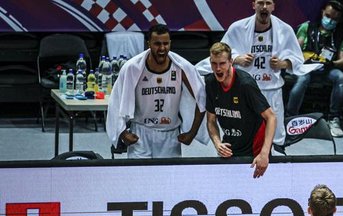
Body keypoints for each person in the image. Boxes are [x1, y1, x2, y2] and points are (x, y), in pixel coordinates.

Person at [206, 0, 313, 153]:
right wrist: (237, 58)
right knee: (245, 135)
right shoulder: (237, 28)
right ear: (253, 5)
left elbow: (298, 60)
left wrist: (283, 64)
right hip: (246, 92)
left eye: (268, 3)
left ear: (273, 6)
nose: (264, 6)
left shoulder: (285, 29)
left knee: (275, 137)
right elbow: (222, 54)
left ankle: (274, 166)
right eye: (260, 3)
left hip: (271, 89)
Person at [107, 24, 206, 158]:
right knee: (139, 177)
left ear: (170, 43)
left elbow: (201, 99)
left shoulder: (182, 67)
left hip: (170, 134)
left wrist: (192, 133)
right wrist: (122, 132)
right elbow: (116, 101)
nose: (162, 48)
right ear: (149, 44)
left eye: (166, 43)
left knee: (169, 178)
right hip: (141, 133)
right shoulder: (132, 67)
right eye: (157, 44)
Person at [205, 42, 275, 178]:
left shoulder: (245, 84)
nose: (218, 68)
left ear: (231, 62)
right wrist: (217, 142)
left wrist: (264, 153)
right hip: (230, 148)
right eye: (214, 64)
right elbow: (211, 120)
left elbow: (271, 117)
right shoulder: (210, 83)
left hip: (254, 151)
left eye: (222, 63)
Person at [286, 0, 343, 138]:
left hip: (327, 69)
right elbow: (295, 50)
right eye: (328, 16)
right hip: (306, 68)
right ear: (322, 12)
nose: (330, 20)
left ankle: (334, 118)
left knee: (340, 77)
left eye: (335, 19)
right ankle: (290, 118)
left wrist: (330, 63)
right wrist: (307, 57)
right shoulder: (307, 27)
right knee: (302, 79)